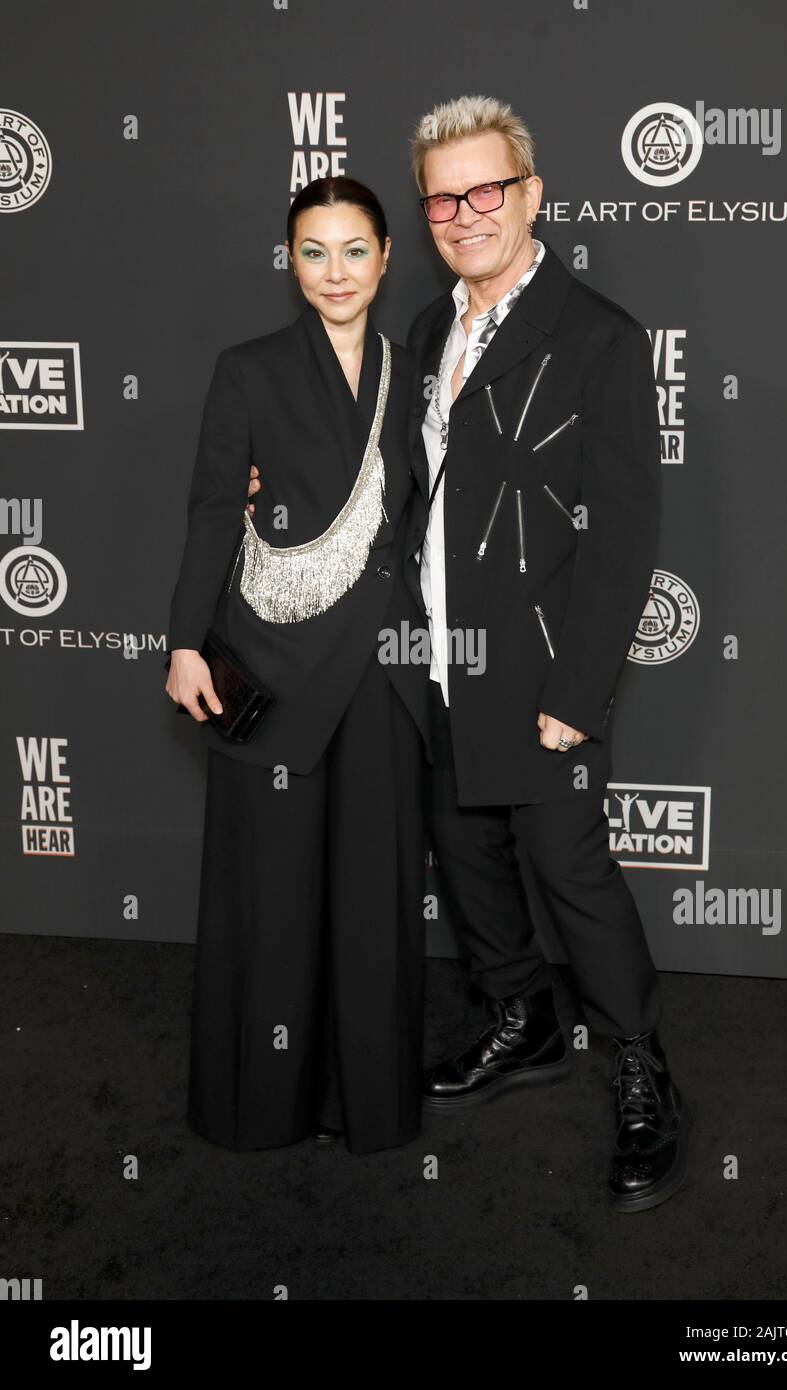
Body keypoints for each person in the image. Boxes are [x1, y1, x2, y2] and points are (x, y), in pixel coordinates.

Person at [404, 95, 691, 1211]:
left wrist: (580, 688)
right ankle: (521, 1022)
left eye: (488, 190)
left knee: (569, 870)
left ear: (531, 195)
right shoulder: (428, 329)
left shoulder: (598, 334)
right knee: (466, 856)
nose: (465, 212)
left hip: (538, 672)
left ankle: (638, 1068)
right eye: (444, 195)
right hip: (432, 658)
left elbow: (624, 533)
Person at [164, 177, 431, 1155]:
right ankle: (258, 1104)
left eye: (355, 249)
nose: (336, 272)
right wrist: (184, 641)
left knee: (374, 895)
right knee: (270, 889)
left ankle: (368, 1103)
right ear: (290, 262)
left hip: (382, 667)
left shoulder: (424, 372)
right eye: (313, 251)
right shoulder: (249, 368)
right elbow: (208, 510)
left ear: (388, 255)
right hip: (268, 663)